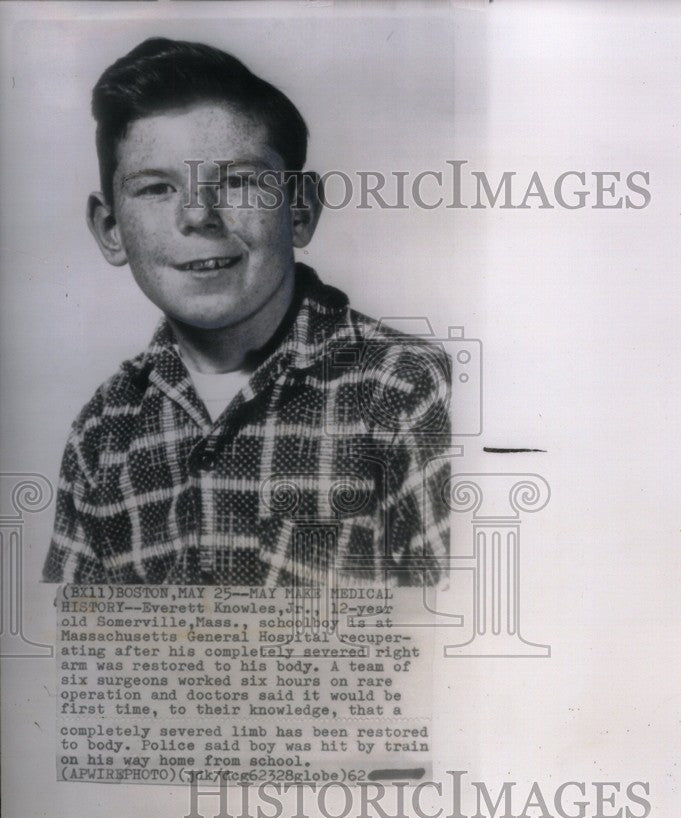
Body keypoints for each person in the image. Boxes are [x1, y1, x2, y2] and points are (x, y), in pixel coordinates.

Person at [43, 37, 451, 587]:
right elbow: (77, 656)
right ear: (111, 230)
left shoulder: (403, 388)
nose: (198, 215)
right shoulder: (103, 432)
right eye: (157, 187)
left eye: (238, 181)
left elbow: (446, 631)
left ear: (299, 209)